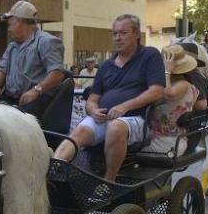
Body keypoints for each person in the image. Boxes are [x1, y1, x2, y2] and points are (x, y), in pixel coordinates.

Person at [52, 14, 165, 183]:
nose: (117, 38)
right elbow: (92, 99)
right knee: (78, 133)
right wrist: (93, 110)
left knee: (115, 127)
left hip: (136, 119)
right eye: (114, 33)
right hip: (103, 118)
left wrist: (124, 107)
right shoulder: (106, 65)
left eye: (122, 33)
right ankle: (53, 173)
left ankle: (108, 182)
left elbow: (157, 91)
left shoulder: (149, 55)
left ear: (136, 34)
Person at [0, 0, 66, 118]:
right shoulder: (12, 46)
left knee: (12, 123)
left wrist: (36, 90)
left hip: (36, 99)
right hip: (10, 98)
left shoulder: (47, 42)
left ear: (20, 21)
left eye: (10, 24)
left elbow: (57, 73)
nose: (8, 29)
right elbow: (1, 68)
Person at [145, 45, 202, 155]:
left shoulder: (184, 84)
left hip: (167, 142)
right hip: (165, 139)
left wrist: (167, 71)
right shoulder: (179, 83)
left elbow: (168, 93)